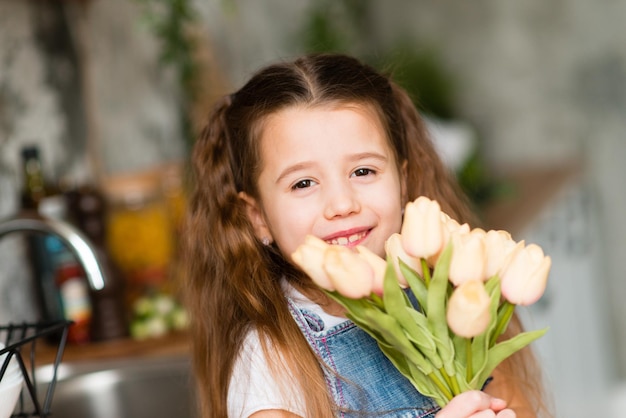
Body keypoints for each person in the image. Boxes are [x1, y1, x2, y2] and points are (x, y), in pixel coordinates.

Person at [183, 53, 550, 418]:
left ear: (403, 181)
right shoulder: (271, 358)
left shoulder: (460, 292)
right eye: (303, 183)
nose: (342, 204)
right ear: (258, 217)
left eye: (363, 171)